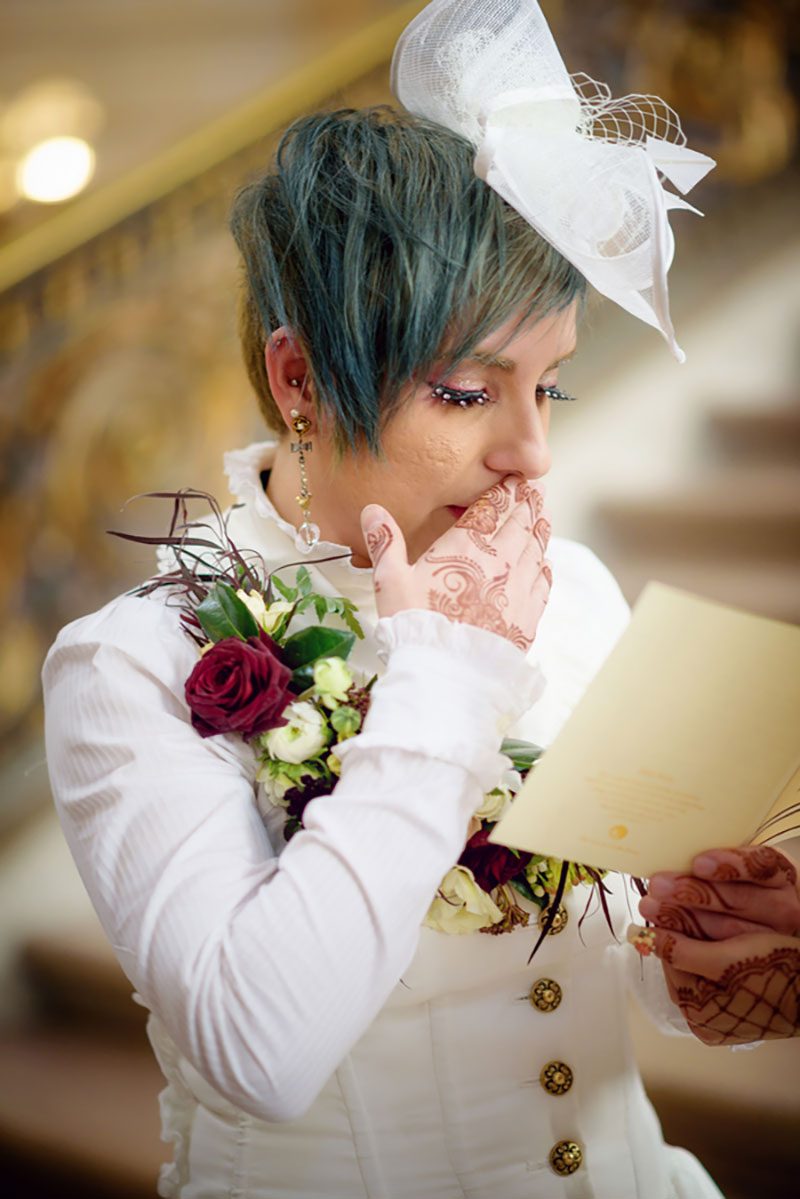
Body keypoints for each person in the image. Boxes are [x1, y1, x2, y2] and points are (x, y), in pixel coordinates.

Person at [41, 2, 799, 1197]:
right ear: (299, 376)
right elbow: (258, 1050)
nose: (530, 453)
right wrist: (444, 674)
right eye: (465, 391)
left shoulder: (569, 589)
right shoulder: (134, 661)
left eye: (550, 386)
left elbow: (604, 966)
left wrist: (705, 943)